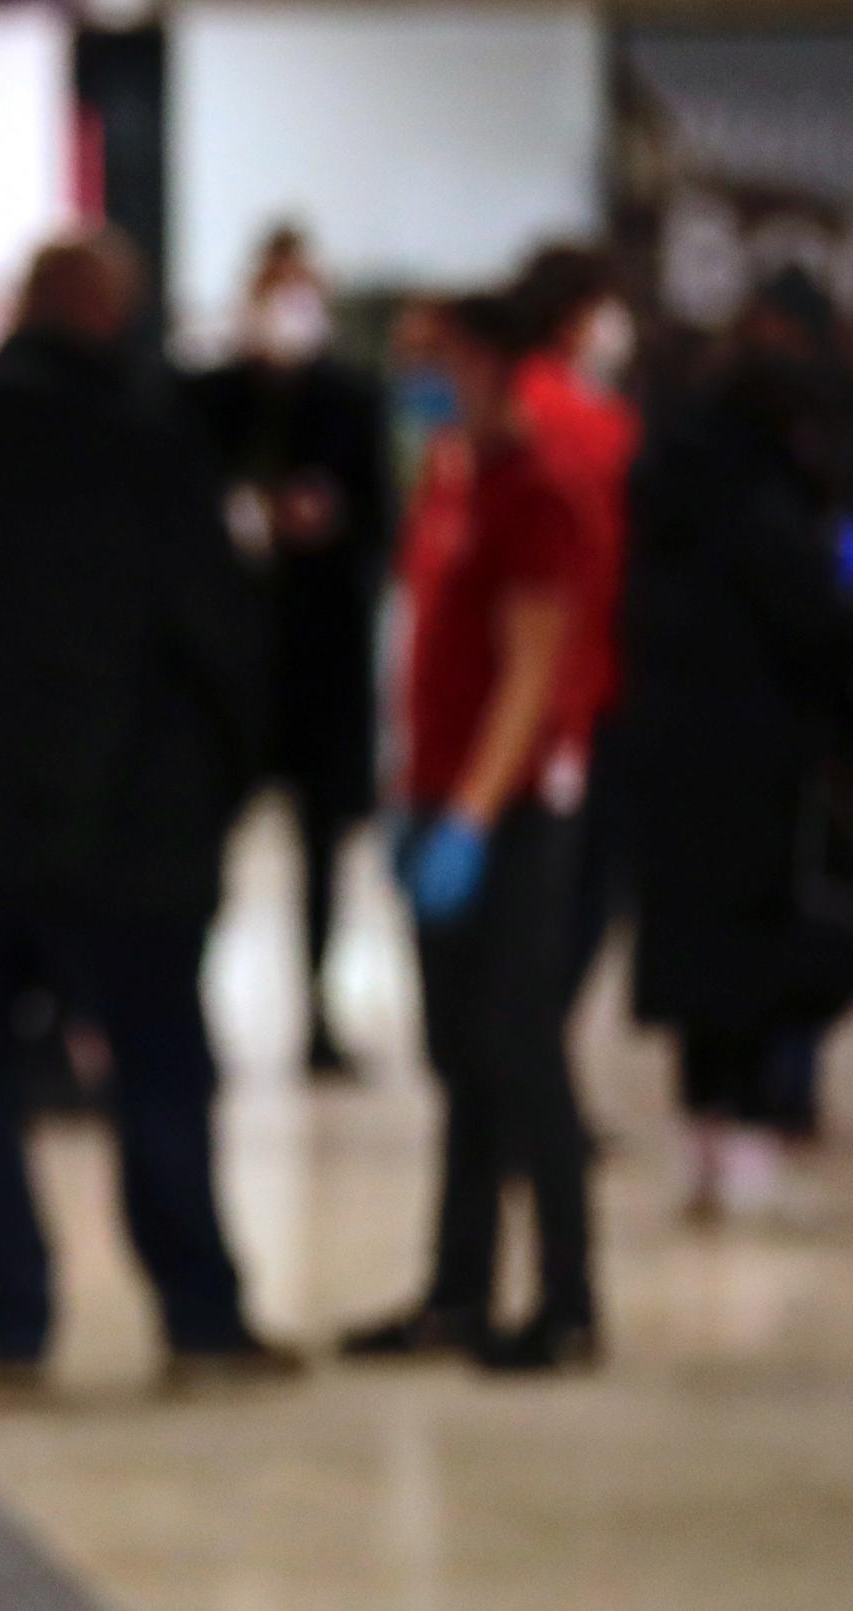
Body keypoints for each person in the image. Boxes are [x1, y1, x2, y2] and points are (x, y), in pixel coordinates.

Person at [0, 230, 297, 1396]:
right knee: (156, 1064)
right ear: (107, 317)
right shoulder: (147, 455)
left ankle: (13, 1330)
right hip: (126, 836)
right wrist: (221, 793)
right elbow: (221, 647)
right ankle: (196, 1314)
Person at [345, 292, 605, 1373]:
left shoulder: (532, 494)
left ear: (497, 366)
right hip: (433, 797)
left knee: (521, 1054)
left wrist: (468, 816)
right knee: (458, 1058)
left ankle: (564, 1298)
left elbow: (530, 672)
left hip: (501, 817)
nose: (419, 381)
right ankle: (456, 1288)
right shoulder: (445, 483)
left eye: (436, 361)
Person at [622, 270, 853, 1221]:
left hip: (683, 750)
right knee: (759, 944)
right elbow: (813, 623)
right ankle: (752, 1114)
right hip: (761, 759)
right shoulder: (766, 493)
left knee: (709, 951)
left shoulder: (677, 470)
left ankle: (720, 1118)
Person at [187, 227, 391, 1079]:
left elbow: (383, 522)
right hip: (227, 666)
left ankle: (318, 1013)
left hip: (321, 661)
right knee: (202, 846)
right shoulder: (205, 398)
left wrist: (330, 524)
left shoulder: (351, 400)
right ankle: (188, 1010)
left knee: (322, 853)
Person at [508, 246, 642, 1005]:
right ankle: (532, 1079)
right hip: (584, 695)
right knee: (577, 898)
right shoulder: (591, 425)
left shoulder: (500, 410)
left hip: (532, 696)